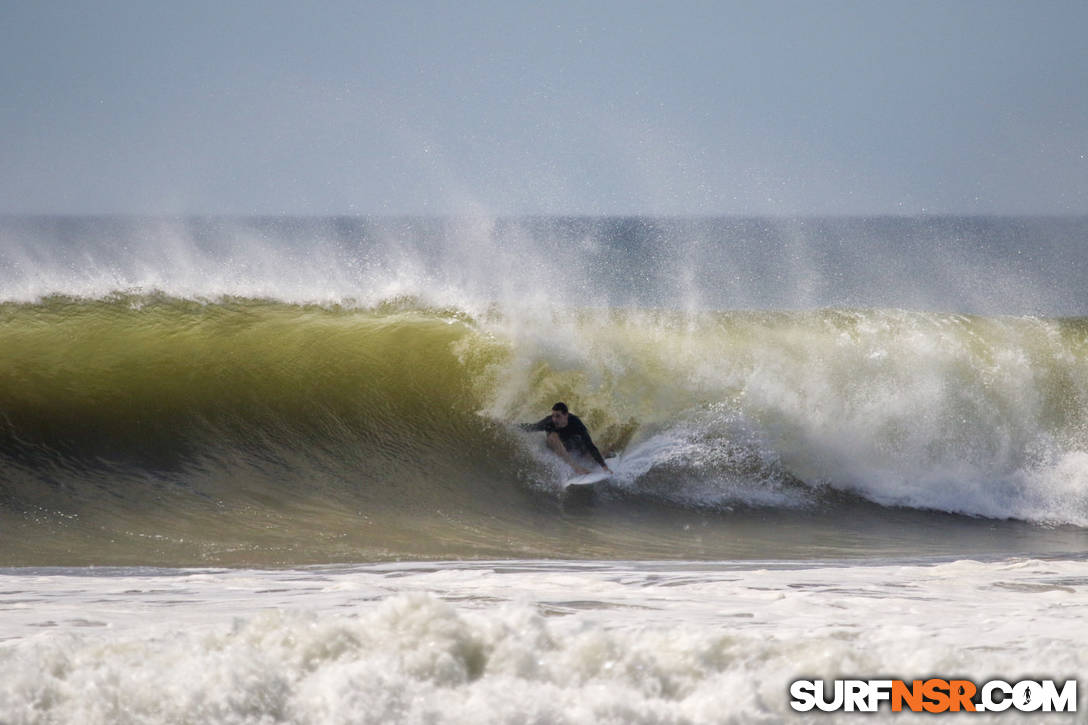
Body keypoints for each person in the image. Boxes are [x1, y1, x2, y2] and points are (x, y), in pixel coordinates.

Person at [521, 402, 611, 475]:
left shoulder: (576, 423)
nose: (555, 419)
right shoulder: (549, 422)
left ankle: (609, 457)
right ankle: (577, 468)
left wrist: (604, 467)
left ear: (566, 415)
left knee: (593, 454)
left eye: (558, 416)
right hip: (555, 447)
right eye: (553, 416)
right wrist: (511, 427)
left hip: (570, 446)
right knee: (553, 436)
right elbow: (531, 427)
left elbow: (589, 445)